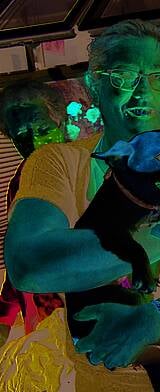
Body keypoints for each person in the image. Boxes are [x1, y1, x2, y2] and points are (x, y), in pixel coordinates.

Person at [3, 19, 160, 391]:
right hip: (101, 381)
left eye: (158, 78)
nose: (142, 93)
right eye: (123, 76)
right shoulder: (58, 162)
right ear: (95, 84)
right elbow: (28, 264)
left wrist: (152, 322)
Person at [0, 80, 67, 347]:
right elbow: (21, 259)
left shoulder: (91, 172)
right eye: (22, 136)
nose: (35, 143)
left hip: (97, 327)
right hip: (44, 330)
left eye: (42, 129)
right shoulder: (21, 181)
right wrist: (4, 316)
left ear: (60, 123)